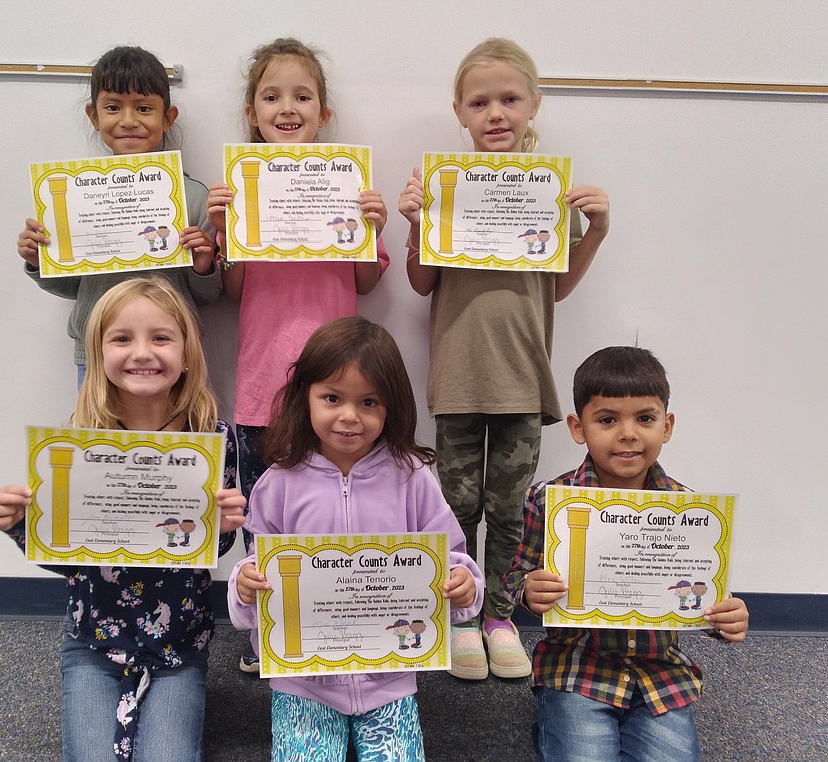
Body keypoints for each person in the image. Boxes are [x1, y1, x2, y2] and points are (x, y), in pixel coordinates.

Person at [397, 37, 611, 681]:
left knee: (511, 508)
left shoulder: (553, 193)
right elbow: (421, 285)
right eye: (480, 102)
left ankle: (500, 616)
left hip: (523, 378)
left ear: (534, 105)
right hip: (458, 380)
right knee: (456, 508)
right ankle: (460, 618)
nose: (496, 113)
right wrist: (414, 224)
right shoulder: (442, 190)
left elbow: (559, 287)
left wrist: (597, 229)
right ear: (459, 112)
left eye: (510, 99)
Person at [0, 278, 247, 762]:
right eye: (122, 338)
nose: (142, 352)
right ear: (98, 351)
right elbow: (70, 562)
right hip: (92, 643)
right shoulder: (77, 441)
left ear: (188, 353)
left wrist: (228, 528)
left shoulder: (214, 440)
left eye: (161, 337)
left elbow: (208, 550)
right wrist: (21, 527)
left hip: (177, 649)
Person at [207, 38, 390, 672]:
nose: (287, 107)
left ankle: (329, 621)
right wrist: (225, 235)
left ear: (324, 111)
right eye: (271, 96)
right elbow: (231, 291)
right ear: (253, 114)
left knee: (332, 509)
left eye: (301, 96)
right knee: (264, 513)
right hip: (264, 388)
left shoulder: (349, 185)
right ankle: (266, 627)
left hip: (338, 386)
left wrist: (371, 223)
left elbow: (367, 283)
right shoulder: (241, 191)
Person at [227, 317, 482, 760]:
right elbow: (255, 570)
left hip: (389, 676)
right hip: (303, 680)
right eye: (331, 398)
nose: (349, 416)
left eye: (368, 401)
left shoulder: (413, 479)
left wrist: (463, 586)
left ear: (390, 408)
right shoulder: (278, 483)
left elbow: (452, 559)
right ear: (303, 397)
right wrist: (245, 587)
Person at [504, 346, 749, 761]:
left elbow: (702, 595)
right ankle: (553, 720)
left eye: (645, 419)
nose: (628, 433)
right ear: (578, 427)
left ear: (666, 426)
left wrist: (725, 617)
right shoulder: (549, 500)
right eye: (607, 420)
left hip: (661, 674)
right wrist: (528, 591)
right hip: (577, 667)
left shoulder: (689, 509)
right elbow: (513, 581)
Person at [16, 46, 220, 387]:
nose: (128, 120)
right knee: (100, 441)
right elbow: (71, 285)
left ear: (168, 117)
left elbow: (207, 295)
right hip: (96, 353)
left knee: (171, 440)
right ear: (94, 117)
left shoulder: (194, 198)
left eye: (143, 108)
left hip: (172, 356)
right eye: (113, 108)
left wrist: (203, 266)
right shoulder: (72, 200)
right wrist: (40, 261)